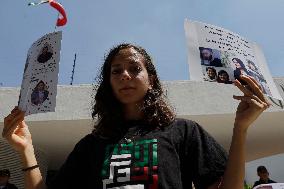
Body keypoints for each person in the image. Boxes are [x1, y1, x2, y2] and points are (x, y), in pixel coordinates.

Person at [2, 43, 270, 189]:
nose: (125, 76)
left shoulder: (183, 131)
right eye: (116, 71)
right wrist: (26, 151)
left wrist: (241, 129)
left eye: (134, 68)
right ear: (108, 83)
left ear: (150, 79)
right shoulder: (92, 144)